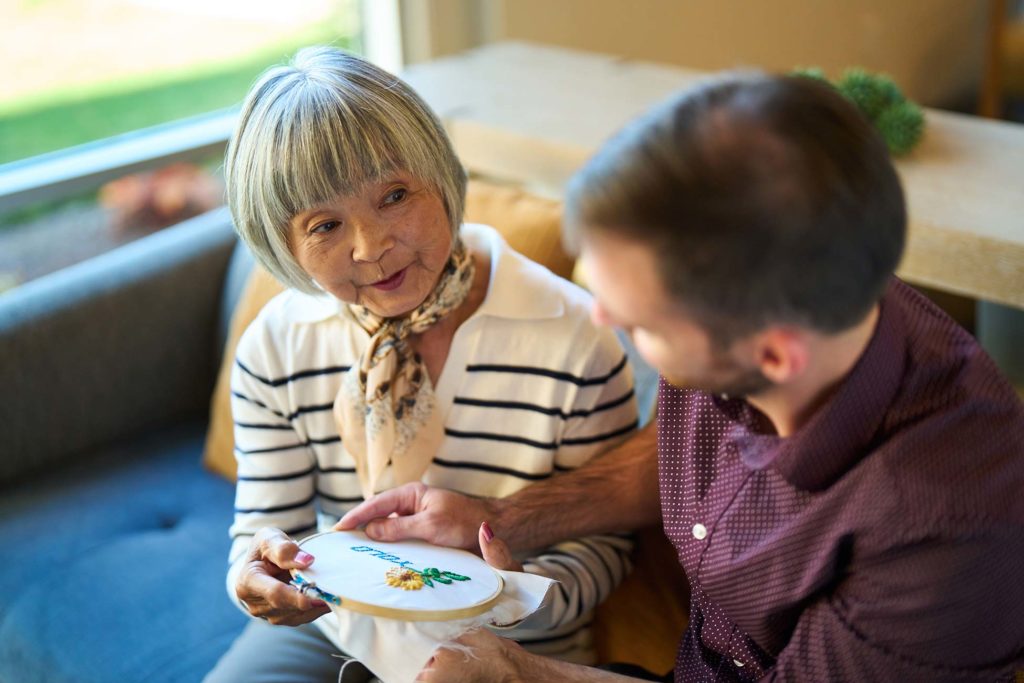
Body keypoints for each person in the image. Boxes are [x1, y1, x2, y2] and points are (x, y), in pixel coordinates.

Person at [339, 72, 1024, 682]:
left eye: (641, 325)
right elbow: (688, 450)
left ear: (775, 358)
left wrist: (523, 674)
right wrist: (505, 518)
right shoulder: (781, 300)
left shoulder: (944, 525)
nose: (604, 316)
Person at [204, 46, 640, 682]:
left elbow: (604, 545)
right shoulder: (276, 345)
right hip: (335, 626)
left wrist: (509, 595)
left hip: (518, 643)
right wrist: (254, 574)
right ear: (284, 246)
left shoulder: (573, 335)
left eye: (395, 194)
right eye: (324, 224)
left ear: (443, 174)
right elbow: (268, 521)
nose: (372, 245)